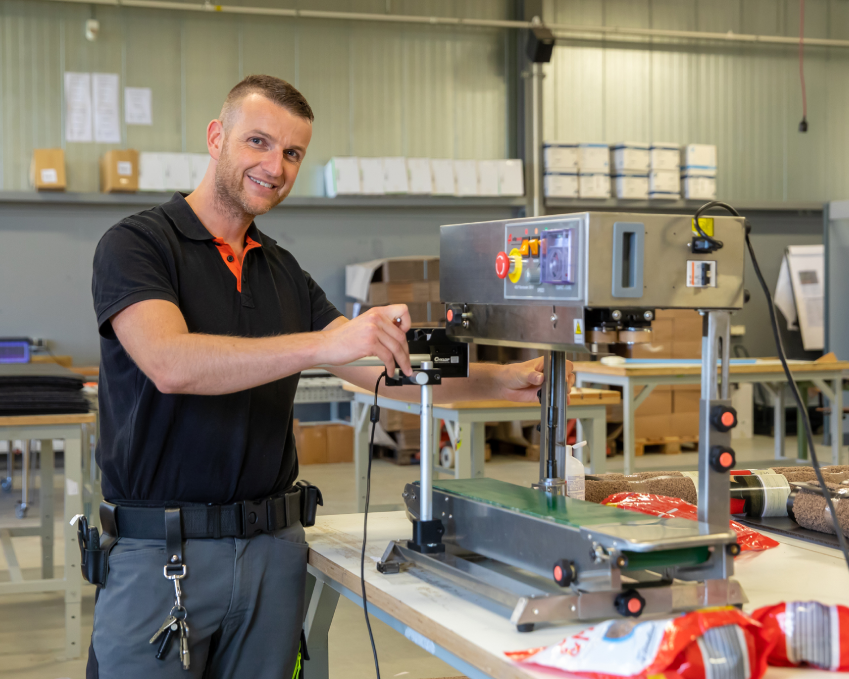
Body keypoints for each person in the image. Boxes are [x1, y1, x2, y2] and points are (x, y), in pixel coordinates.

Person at [88, 74, 573, 678]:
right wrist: (323, 342)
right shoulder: (137, 245)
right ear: (217, 138)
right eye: (258, 142)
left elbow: (376, 368)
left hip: (273, 552)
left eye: (292, 153)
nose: (275, 165)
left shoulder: (282, 271)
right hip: (162, 556)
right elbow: (170, 364)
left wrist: (500, 380)